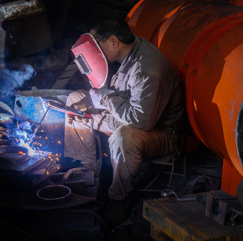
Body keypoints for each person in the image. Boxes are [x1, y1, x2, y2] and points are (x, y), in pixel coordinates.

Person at [64, 18, 184, 224]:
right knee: (74, 101)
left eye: (96, 44)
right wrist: (99, 100)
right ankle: (88, 172)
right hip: (131, 117)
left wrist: (105, 100)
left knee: (123, 137)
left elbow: (141, 121)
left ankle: (120, 197)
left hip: (158, 132)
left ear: (113, 41)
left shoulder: (147, 69)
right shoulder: (128, 52)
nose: (94, 50)